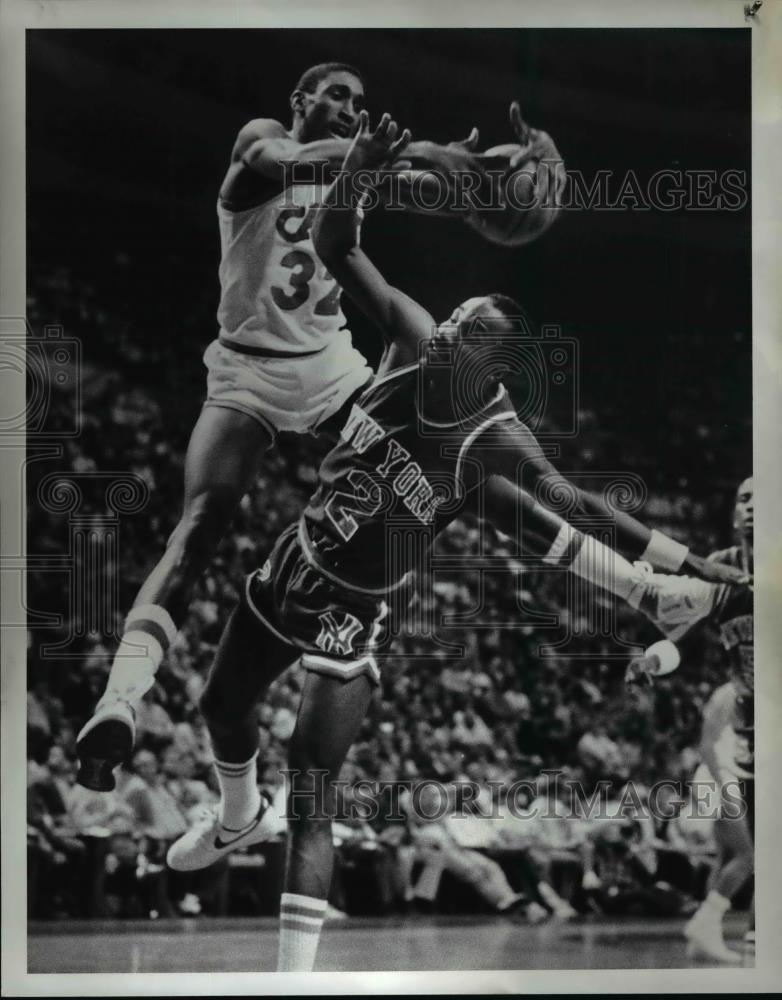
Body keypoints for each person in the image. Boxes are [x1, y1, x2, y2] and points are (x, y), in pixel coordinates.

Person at [160, 117, 748, 971]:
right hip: (296, 557)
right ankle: (236, 812)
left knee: (315, 786)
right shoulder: (408, 334)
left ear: (487, 360)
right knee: (220, 710)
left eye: (468, 325)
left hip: (357, 611)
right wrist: (358, 172)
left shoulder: (494, 430)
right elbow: (334, 238)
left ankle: (290, 981)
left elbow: (579, 502)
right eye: (458, 313)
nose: (453, 322)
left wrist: (692, 561)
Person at [76, 63, 542, 792]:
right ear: (300, 101)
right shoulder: (261, 143)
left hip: (328, 365)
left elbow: (437, 189)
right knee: (203, 520)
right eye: (338, 96)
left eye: (360, 102)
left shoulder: (357, 169)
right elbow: (297, 162)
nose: (351, 109)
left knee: (439, 461)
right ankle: (121, 701)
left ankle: (608, 562)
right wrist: (403, 154)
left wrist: (492, 174)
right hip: (246, 370)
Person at [626, 476, 754, 960]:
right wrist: (652, 661)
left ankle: (719, 936)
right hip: (739, 735)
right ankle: (717, 932)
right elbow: (679, 636)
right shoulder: (719, 568)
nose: (753, 508)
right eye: (744, 499)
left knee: (744, 854)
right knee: (750, 853)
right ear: (732, 512)